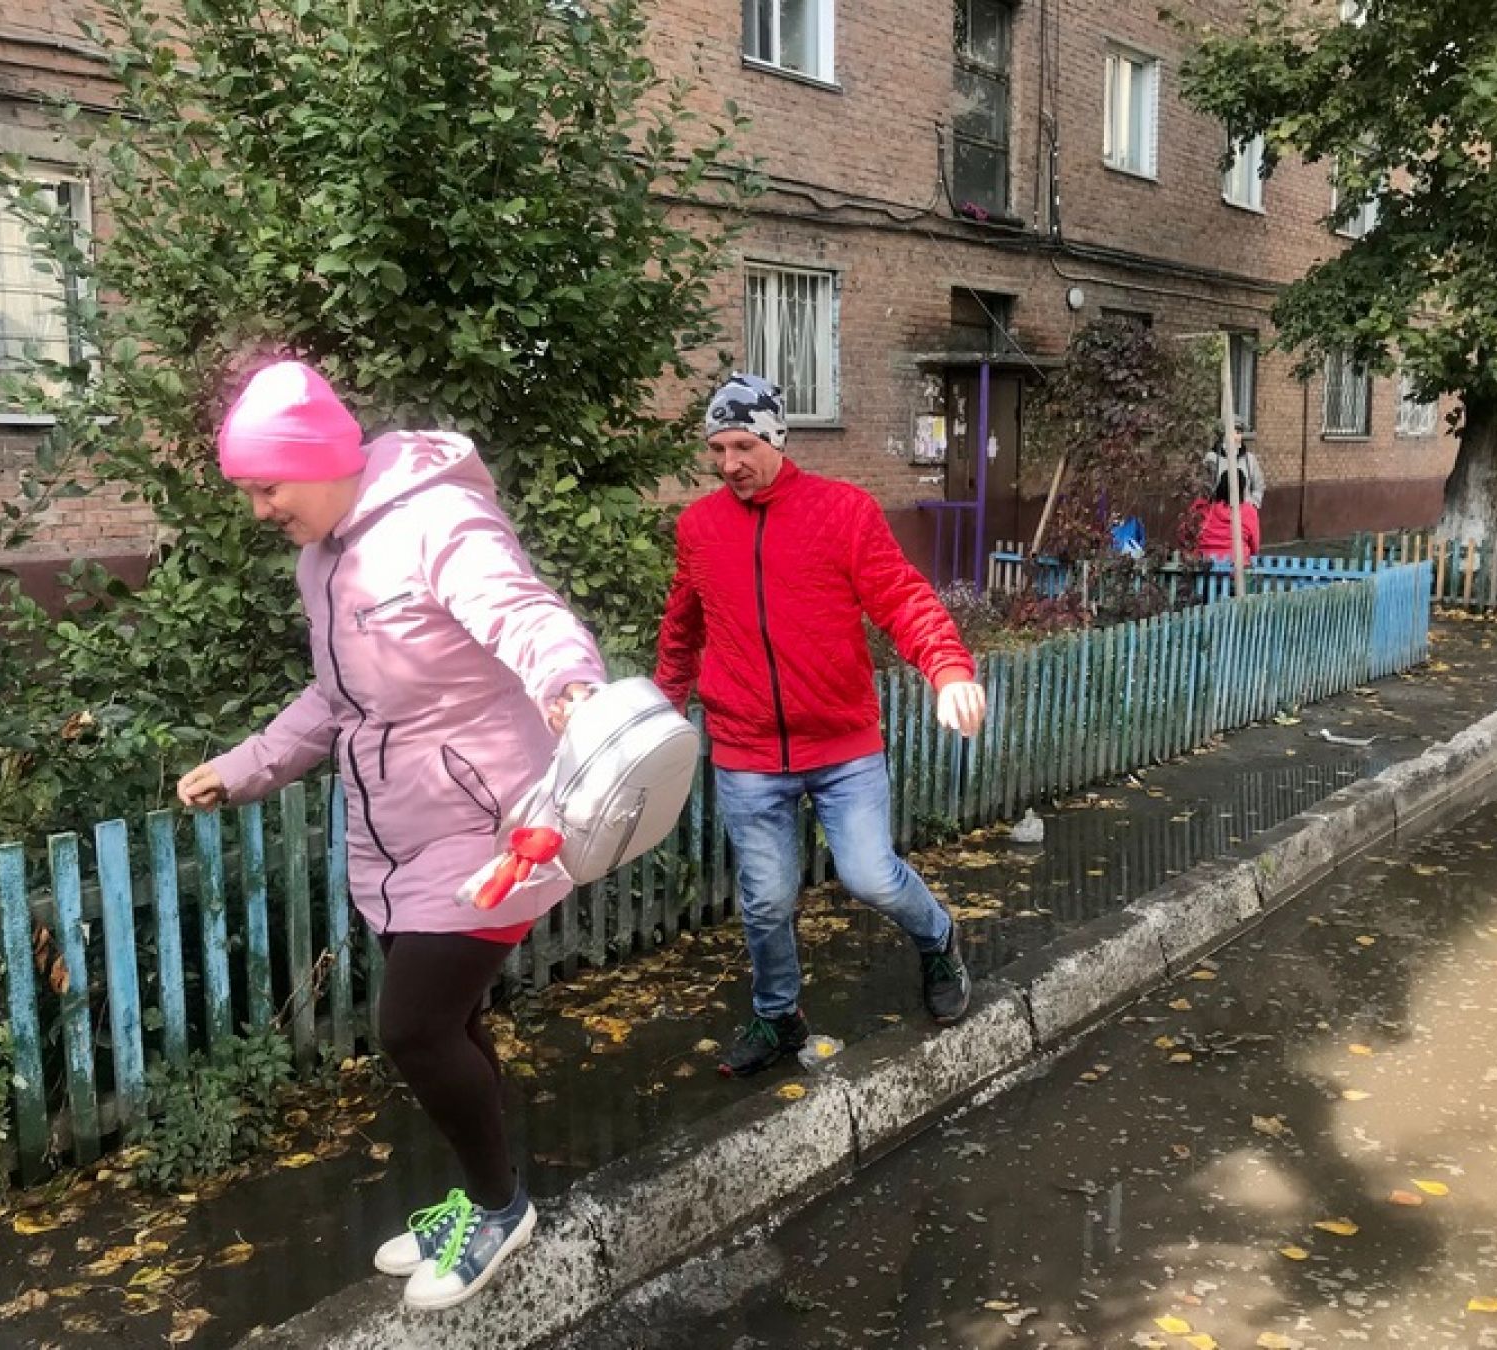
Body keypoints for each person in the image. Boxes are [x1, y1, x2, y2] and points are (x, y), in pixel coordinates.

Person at [175, 361, 605, 1311]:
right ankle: (483, 1197)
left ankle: (499, 1209)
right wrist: (244, 765)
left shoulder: (435, 521)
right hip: (394, 832)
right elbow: (338, 702)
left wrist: (571, 685)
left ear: (321, 462)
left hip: (493, 827)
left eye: (265, 486)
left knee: (412, 1029)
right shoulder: (321, 559)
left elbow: (522, 612)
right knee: (453, 1025)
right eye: (248, 491)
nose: (258, 510)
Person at [654, 373, 990, 1078]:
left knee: (869, 876)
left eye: (742, 444)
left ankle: (938, 938)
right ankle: (779, 1017)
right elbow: (682, 629)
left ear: (776, 438)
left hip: (841, 746)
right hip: (746, 752)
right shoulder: (700, 528)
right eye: (717, 449)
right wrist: (663, 703)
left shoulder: (843, 512)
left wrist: (948, 669)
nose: (728, 463)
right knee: (766, 900)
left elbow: (902, 599)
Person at [1194, 468, 1261, 563]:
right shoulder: (1248, 511)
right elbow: (1254, 547)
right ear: (1242, 489)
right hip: (1237, 568)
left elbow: (1186, 537)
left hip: (1202, 568)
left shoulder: (1201, 507)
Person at [1203, 437, 1265, 509]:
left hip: (1244, 513)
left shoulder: (1249, 459)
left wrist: (1252, 504)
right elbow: (1205, 487)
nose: (1235, 436)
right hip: (1219, 513)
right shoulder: (1212, 458)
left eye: (1238, 432)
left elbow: (1259, 486)